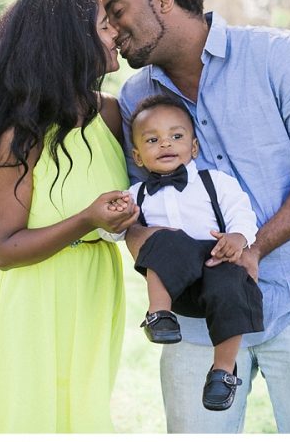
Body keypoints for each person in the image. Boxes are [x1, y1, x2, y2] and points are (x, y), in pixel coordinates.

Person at [97, 0, 290, 433]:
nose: (110, 30)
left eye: (117, 11)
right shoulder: (135, 97)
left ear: (163, 1)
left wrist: (254, 248)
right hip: (195, 317)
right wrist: (151, 250)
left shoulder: (279, 57)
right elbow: (143, 205)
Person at [0, 0, 139, 433]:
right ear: (70, 39)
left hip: (92, 292)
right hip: (32, 301)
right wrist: (87, 219)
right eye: (103, 23)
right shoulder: (20, 134)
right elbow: (4, 248)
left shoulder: (111, 114)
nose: (114, 31)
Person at [123, 94, 262, 411]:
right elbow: (115, 230)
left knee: (231, 279)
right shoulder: (137, 195)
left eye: (176, 136)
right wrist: (116, 219)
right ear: (138, 156)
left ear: (194, 147)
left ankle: (223, 371)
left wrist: (238, 238)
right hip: (174, 286)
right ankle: (160, 315)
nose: (166, 144)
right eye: (153, 140)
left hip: (216, 263)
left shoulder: (214, 181)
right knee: (163, 240)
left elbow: (241, 212)